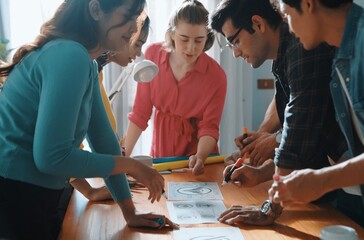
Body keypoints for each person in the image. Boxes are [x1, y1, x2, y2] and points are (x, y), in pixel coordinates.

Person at [0, 0, 178, 239]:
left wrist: (129, 212)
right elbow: (52, 158)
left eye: (137, 18)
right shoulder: (69, 55)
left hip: (32, 193)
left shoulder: (86, 63)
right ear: (95, 10)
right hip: (16, 194)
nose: (134, 27)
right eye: (128, 16)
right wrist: (133, 166)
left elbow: (104, 141)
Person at [270, 0, 364, 239]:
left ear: (308, 4)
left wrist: (321, 181)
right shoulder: (341, 63)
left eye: (288, 15)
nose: (290, 29)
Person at [210, 0, 364, 227]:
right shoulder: (285, 57)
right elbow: (304, 136)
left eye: (235, 41)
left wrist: (269, 208)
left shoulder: (302, 46)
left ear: (258, 24)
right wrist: (261, 172)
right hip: (343, 174)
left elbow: (298, 136)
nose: (235, 53)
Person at [124, 0, 227, 176]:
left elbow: (209, 127)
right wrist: (124, 158)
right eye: (184, 39)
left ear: (207, 38)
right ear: (171, 34)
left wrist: (200, 157)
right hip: (162, 153)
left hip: (198, 157)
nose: (191, 48)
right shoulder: (152, 56)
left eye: (199, 40)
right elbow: (140, 113)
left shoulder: (216, 76)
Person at [70, 15, 152, 203]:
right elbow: (66, 147)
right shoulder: (79, 65)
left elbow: (105, 138)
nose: (139, 53)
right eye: (137, 43)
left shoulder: (94, 70)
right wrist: (89, 192)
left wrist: (121, 189)